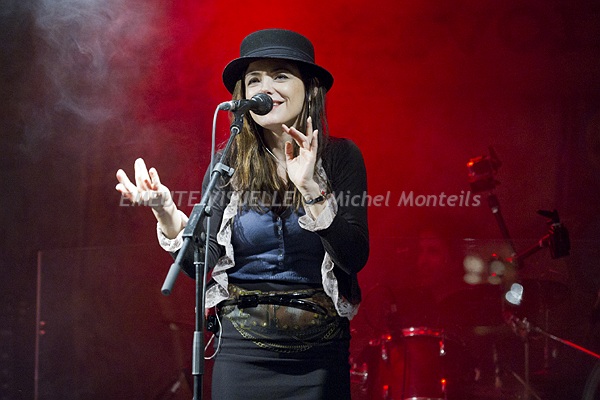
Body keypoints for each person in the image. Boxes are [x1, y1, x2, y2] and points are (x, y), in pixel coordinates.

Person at [115, 28, 369, 400]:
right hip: (242, 352)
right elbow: (201, 263)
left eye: (280, 76)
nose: (266, 88)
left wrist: (311, 189)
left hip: (319, 355)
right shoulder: (228, 161)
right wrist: (166, 211)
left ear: (310, 89)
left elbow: (354, 256)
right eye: (254, 80)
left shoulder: (340, 157)